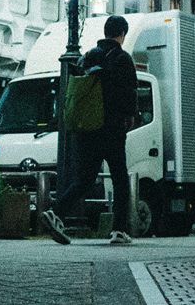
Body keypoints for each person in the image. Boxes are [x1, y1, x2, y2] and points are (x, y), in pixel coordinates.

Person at [39, 14, 138, 246]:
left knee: (84, 179)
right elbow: (129, 91)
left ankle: (57, 212)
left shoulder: (87, 57)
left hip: (86, 127)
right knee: (120, 179)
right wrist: (130, 115)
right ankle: (118, 231)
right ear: (122, 34)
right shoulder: (122, 58)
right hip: (112, 127)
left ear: (105, 32)